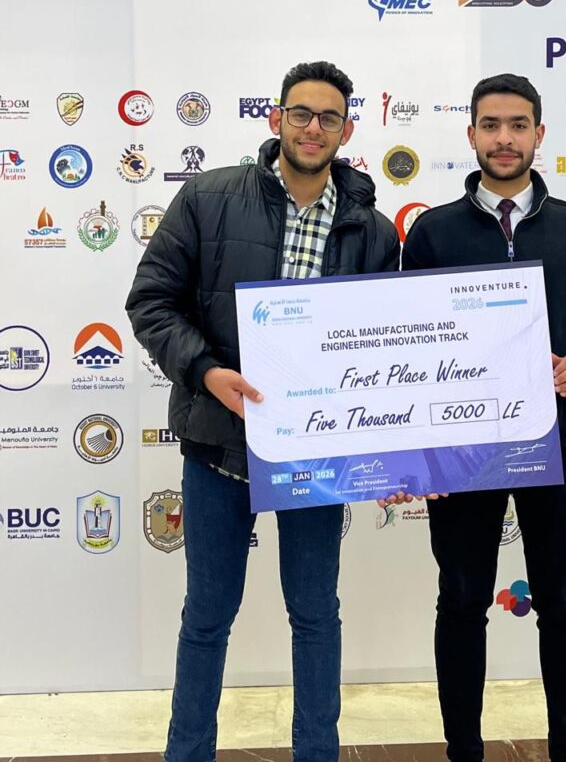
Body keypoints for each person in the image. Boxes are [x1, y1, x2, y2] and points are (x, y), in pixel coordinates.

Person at [126, 60, 400, 762]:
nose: (313, 128)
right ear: (276, 119)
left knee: (315, 615)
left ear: (347, 130)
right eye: (300, 113)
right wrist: (206, 371)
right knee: (207, 618)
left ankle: (318, 753)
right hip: (219, 447)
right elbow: (152, 300)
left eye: (329, 117)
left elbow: (385, 348)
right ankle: (188, 754)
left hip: (318, 456)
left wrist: (395, 453)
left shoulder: (373, 230)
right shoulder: (208, 197)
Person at [400, 73, 566, 762]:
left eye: (518, 125)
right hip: (461, 451)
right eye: (492, 125)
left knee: (563, 602)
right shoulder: (432, 233)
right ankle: (463, 752)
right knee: (461, 599)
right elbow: (410, 342)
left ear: (539, 134)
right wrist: (418, 448)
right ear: (471, 133)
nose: (504, 138)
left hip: (556, 443)